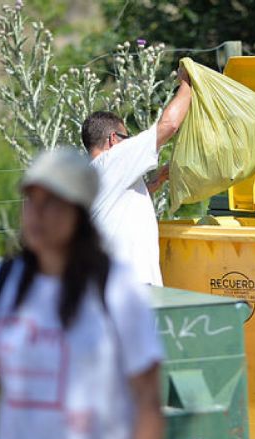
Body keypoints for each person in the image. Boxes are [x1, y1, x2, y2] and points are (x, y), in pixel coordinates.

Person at [0, 150, 164, 439]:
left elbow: (147, 400)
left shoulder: (118, 289)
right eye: (31, 200)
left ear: (79, 212)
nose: (36, 213)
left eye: (51, 201)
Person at [82, 68, 192, 286]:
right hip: (132, 287)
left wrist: (154, 184)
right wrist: (187, 83)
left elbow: (114, 205)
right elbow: (169, 126)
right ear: (113, 139)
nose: (129, 142)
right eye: (126, 137)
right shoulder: (113, 159)